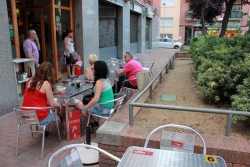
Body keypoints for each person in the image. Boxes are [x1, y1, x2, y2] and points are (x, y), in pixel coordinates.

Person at [22, 62, 63, 137]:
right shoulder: (46, 84)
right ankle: (47, 130)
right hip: (38, 118)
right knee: (53, 110)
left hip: (25, 116)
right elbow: (52, 104)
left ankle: (46, 132)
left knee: (48, 107)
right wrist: (59, 105)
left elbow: (36, 97)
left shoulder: (30, 80)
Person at [77, 61, 114, 132]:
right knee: (86, 104)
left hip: (104, 109)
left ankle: (93, 122)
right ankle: (93, 122)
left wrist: (85, 109)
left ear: (97, 70)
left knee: (80, 105)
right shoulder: (106, 79)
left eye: (93, 69)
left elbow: (95, 99)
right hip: (109, 106)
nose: (92, 70)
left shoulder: (99, 82)